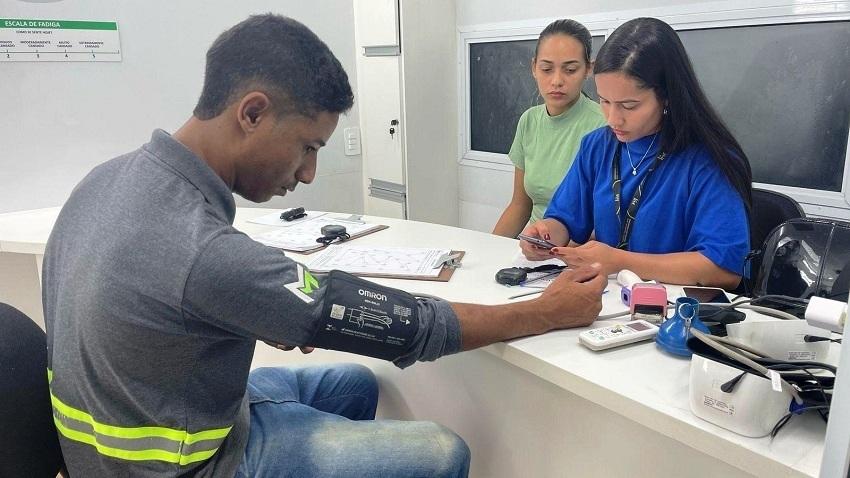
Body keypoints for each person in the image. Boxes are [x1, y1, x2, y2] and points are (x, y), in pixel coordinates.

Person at [43, 14, 606, 478]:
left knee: (354, 383)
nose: (309, 174)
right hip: (183, 465)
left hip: (131, 423)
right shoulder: (205, 251)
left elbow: (168, 299)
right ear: (253, 112)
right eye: (308, 147)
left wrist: (258, 308)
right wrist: (546, 311)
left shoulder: (110, 179)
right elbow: (411, 328)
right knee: (442, 451)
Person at [520, 17, 752, 290]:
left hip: (679, 315)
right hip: (609, 307)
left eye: (629, 105)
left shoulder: (708, 160)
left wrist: (619, 261)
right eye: (604, 101)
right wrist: (545, 235)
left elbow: (723, 269)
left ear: (666, 96)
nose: (613, 119)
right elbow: (564, 220)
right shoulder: (597, 146)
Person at [492, 19, 606, 238]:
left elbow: (605, 221)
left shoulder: (604, 125)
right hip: (533, 247)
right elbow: (520, 206)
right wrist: (491, 248)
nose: (556, 81)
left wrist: (558, 254)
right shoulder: (529, 121)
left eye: (570, 69)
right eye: (546, 69)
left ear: (588, 69)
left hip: (580, 252)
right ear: (534, 67)